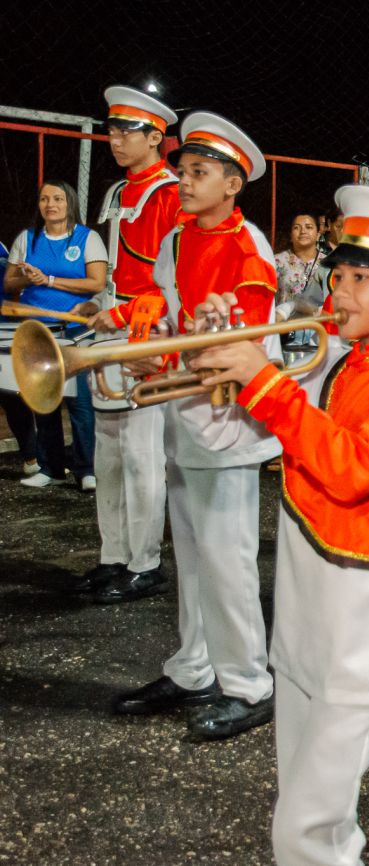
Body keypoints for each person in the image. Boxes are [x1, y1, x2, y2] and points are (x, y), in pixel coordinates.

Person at [188, 184, 369, 866]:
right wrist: (212, 359)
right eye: (338, 276)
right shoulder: (331, 360)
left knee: (304, 834)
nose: (338, 290)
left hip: (363, 629)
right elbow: (229, 439)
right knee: (313, 824)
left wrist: (264, 382)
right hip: (303, 620)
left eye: (361, 278)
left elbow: (351, 468)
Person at [108, 112, 279, 741]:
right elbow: (166, 310)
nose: (183, 181)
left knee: (227, 560)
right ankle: (193, 667)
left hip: (227, 419)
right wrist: (142, 338)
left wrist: (177, 352)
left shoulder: (249, 247)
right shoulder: (177, 239)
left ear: (232, 184)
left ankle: (250, 685)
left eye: (199, 172)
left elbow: (244, 344)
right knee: (192, 555)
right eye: (183, 170)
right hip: (185, 411)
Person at [78, 85, 181, 603]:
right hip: (113, 325)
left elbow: (173, 281)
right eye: (112, 131)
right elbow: (119, 270)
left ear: (155, 136)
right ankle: (112, 556)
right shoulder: (120, 191)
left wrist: (120, 312)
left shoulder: (169, 193)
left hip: (147, 332)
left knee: (142, 456)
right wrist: (98, 304)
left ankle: (145, 563)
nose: (115, 140)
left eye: (126, 131)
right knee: (109, 455)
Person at [3, 178, 106, 490]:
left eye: (58, 199)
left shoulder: (87, 238)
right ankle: (50, 468)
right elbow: (9, 283)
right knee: (43, 400)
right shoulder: (27, 238)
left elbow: (96, 283)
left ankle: (87, 469)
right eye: (45, 199)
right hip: (37, 331)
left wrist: (48, 280)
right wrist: (28, 278)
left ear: (70, 203)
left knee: (80, 403)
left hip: (76, 331)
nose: (51, 205)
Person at [274, 212, 328, 309]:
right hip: (283, 318)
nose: (303, 231)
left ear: (318, 235)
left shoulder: (329, 264)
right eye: (297, 227)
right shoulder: (276, 262)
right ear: (291, 236)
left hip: (319, 318)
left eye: (309, 227)